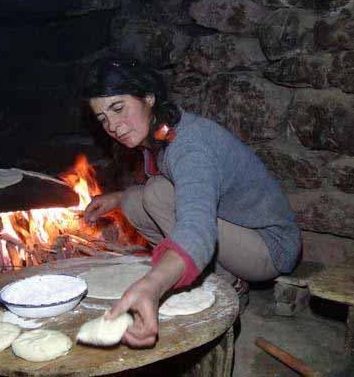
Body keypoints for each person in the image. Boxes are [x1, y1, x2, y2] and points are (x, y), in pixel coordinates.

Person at [81, 56, 301, 348]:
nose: (113, 125)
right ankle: (208, 273)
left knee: (157, 193)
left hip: (269, 247)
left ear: (148, 97)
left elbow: (196, 225)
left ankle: (232, 285)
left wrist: (154, 284)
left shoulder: (189, 145)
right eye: (103, 118)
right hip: (240, 233)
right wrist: (119, 198)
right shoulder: (163, 130)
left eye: (118, 108)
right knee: (136, 200)